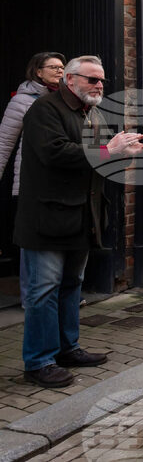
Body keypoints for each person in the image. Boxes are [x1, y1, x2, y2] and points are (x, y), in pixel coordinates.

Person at [16, 56, 143, 387]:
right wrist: (108, 150)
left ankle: (66, 348)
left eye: (101, 80)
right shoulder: (45, 110)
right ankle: (39, 361)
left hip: (82, 216)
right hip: (46, 217)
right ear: (70, 80)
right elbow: (55, 153)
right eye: (92, 80)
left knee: (72, 285)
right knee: (42, 291)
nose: (99, 85)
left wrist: (120, 152)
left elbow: (96, 158)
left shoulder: (94, 112)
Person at [0, 52, 66, 304]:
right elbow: (5, 141)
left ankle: (60, 293)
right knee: (32, 243)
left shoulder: (66, 98)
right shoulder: (22, 101)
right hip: (29, 180)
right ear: (37, 71)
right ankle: (32, 298)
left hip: (60, 180)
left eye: (62, 67)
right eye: (53, 67)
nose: (60, 71)